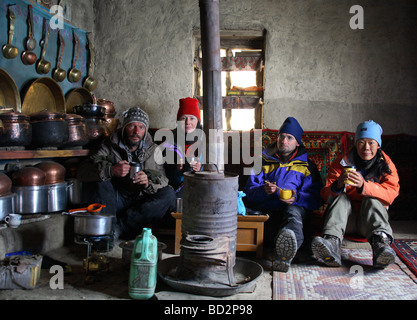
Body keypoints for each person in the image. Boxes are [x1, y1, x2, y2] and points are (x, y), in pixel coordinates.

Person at [311, 120, 400, 269]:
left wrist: (364, 186)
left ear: (378, 145)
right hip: (345, 222)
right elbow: (325, 196)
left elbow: (391, 193)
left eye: (371, 143)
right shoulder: (342, 162)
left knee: (372, 199)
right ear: (355, 143)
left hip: (370, 223)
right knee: (341, 198)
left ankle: (380, 246)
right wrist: (338, 185)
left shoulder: (387, 165)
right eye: (361, 142)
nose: (366, 148)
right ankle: (332, 244)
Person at [81, 106, 176, 240]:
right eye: (132, 126)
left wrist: (148, 182)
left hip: (142, 201)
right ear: (124, 127)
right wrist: (111, 170)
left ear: (145, 130)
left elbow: (163, 179)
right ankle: (110, 230)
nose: (136, 131)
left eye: (141, 127)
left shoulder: (153, 150)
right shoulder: (110, 145)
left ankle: (118, 229)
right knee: (100, 183)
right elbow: (84, 171)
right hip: (117, 199)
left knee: (168, 194)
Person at [243, 117, 323, 272]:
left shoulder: (308, 166)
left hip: (293, 213)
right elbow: (247, 192)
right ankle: (286, 247)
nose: (283, 141)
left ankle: (285, 251)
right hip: (268, 213)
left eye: (289, 138)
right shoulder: (262, 162)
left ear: (297, 143)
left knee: (292, 215)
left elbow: (316, 197)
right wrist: (263, 191)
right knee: (252, 218)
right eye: (281, 136)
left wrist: (297, 197)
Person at [162, 97, 203, 198]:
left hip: (200, 186)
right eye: (184, 118)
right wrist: (176, 168)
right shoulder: (170, 141)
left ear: (197, 121)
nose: (187, 122)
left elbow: (214, 170)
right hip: (176, 188)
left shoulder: (206, 141)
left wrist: (200, 169)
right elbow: (161, 172)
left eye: (192, 118)